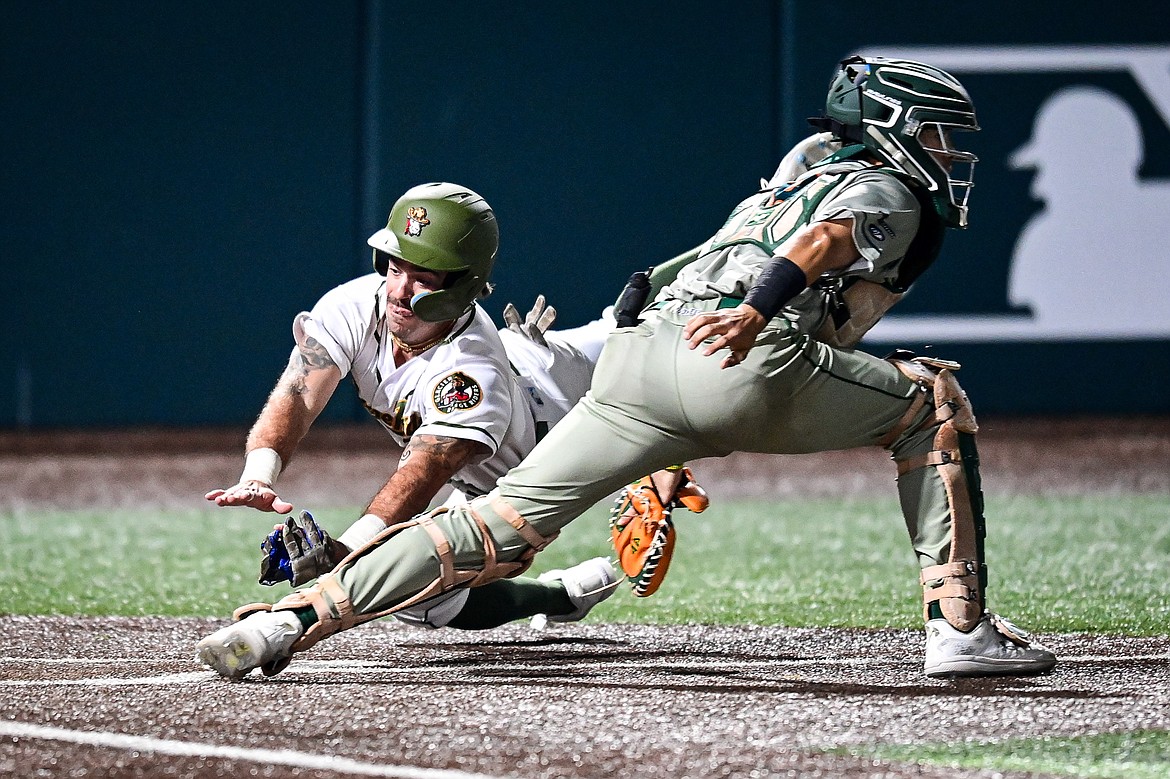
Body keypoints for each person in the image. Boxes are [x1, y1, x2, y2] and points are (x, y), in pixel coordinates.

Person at [198, 55, 1055, 680]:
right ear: (893, 128)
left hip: (639, 363)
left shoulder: (789, 178)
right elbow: (821, 243)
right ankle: (959, 626)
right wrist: (760, 307)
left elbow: (687, 266)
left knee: (492, 532)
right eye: (937, 133)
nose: (946, 153)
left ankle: (290, 621)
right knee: (934, 399)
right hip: (741, 360)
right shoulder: (882, 191)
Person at [203, 182, 627, 634]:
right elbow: (298, 396)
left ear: (463, 283)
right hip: (528, 369)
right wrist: (259, 475)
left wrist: (346, 553)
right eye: (394, 265)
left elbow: (423, 472)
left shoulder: (469, 374)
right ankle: (565, 595)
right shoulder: (356, 304)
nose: (399, 290)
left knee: (398, 582)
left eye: (423, 276)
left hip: (540, 452)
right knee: (620, 321)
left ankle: (565, 589)